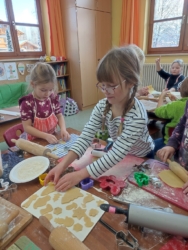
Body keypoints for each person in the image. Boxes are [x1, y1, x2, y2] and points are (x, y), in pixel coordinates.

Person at [44, 45, 154, 191]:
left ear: (131, 83)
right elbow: (85, 138)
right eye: (102, 85)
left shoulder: (137, 116)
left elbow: (116, 154)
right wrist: (61, 165)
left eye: (111, 86)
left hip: (142, 156)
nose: (105, 91)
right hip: (122, 153)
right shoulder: (103, 105)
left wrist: (79, 175)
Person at [19, 62, 70, 144]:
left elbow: (59, 116)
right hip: (36, 141)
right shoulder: (27, 103)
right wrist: (45, 136)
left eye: (51, 89)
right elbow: (27, 127)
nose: (47, 94)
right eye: (43, 90)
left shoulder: (52, 97)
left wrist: (63, 129)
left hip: (53, 137)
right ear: (33, 84)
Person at [154, 78, 188, 153]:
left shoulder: (175, 105)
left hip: (170, 141)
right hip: (184, 143)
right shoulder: (181, 104)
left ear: (180, 90)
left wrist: (161, 96)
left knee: (149, 146)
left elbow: (158, 111)